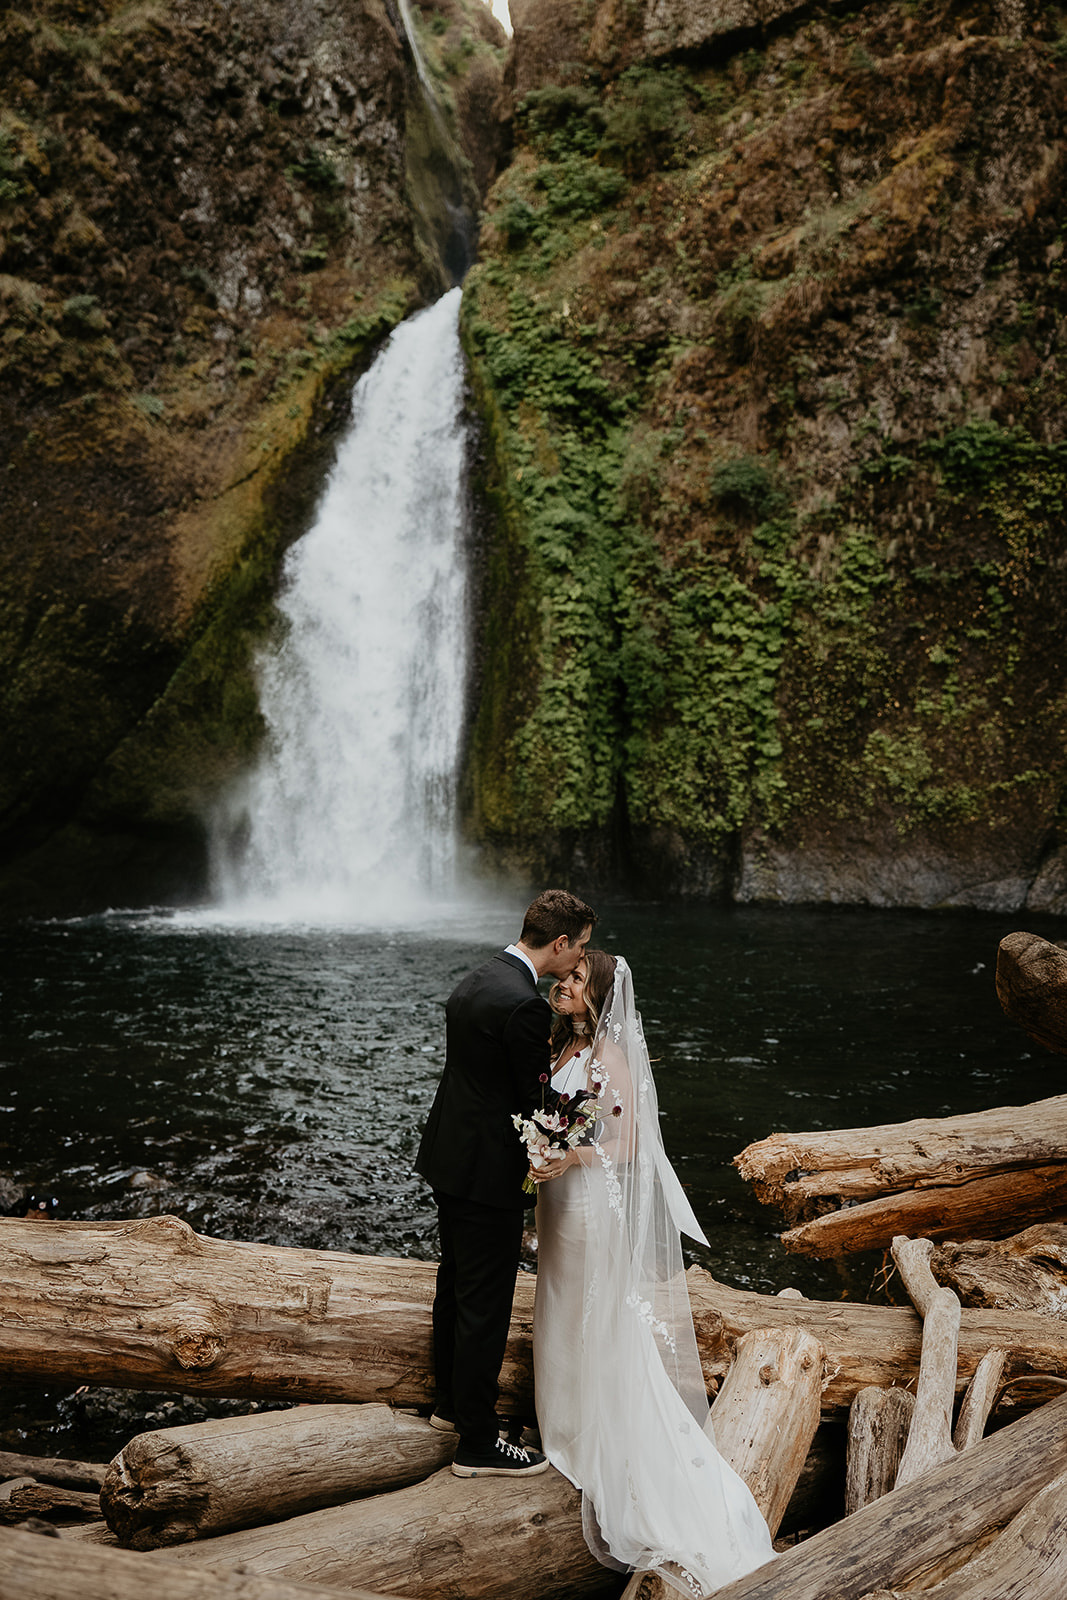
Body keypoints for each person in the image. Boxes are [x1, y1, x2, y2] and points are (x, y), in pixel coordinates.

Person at [531, 951, 775, 1594]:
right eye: (565, 976)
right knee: (556, 1304)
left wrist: (567, 1156)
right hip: (556, 1199)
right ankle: (563, 1425)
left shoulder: (611, 1057)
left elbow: (630, 1145)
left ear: (600, 994)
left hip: (586, 1201)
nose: (564, 984)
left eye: (577, 979)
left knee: (590, 1311)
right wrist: (539, 1148)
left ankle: (592, 1439)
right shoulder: (561, 1046)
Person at [415, 888, 597, 1477]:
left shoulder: (477, 978)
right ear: (561, 942)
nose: (578, 964)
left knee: (456, 1282)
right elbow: (531, 1104)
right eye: (580, 949)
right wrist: (580, 1117)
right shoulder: (524, 1006)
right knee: (486, 1304)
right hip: (487, 1172)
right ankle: (478, 1441)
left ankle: (452, 1406)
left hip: (448, 1158)